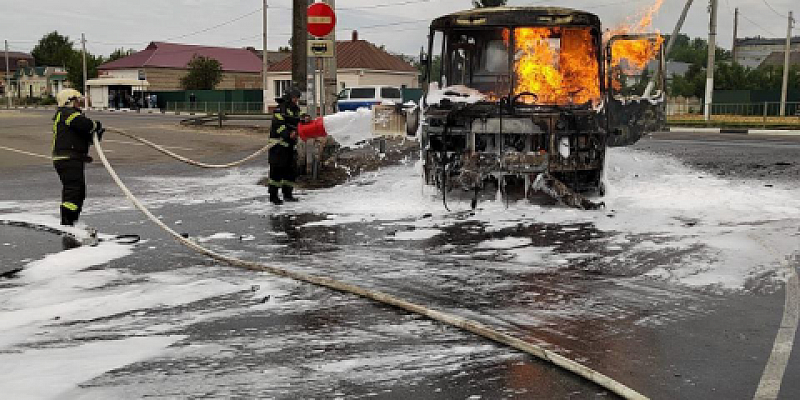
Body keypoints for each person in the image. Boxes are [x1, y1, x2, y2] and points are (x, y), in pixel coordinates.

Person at [52, 89, 105, 226]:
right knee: (73, 190)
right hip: (67, 159)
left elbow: (88, 136)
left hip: (72, 159)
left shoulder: (71, 117)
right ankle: (67, 221)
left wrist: (96, 133)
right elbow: (85, 124)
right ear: (68, 101)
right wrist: (94, 125)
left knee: (79, 191)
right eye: (76, 100)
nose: (79, 103)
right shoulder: (67, 113)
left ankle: (72, 220)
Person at [268, 87, 309, 205]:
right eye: (295, 98)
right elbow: (278, 125)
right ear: (289, 98)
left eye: (297, 98)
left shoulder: (295, 109)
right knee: (276, 172)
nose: (296, 100)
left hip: (290, 147)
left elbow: (300, 118)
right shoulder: (279, 110)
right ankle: (273, 196)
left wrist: (306, 118)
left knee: (290, 171)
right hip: (278, 147)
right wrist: (288, 134)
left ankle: (288, 194)